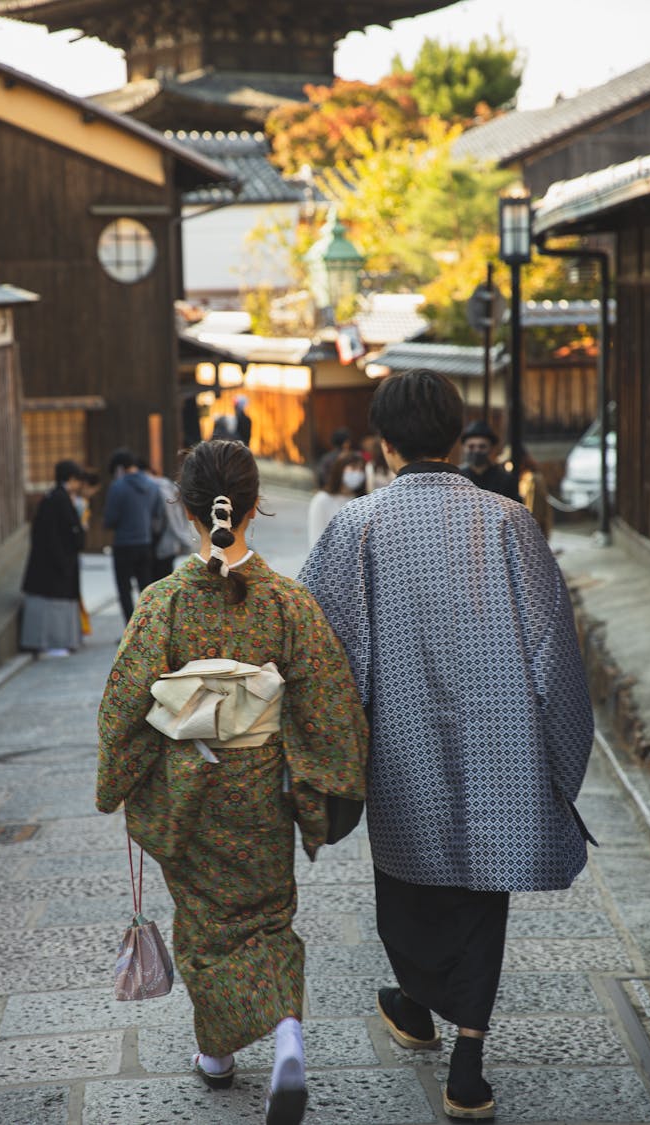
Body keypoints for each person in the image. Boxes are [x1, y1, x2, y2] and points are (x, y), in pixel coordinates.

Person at [299, 370, 594, 1121]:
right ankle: (465, 1061)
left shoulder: (357, 526)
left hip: (399, 750)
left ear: (385, 443)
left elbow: (317, 647)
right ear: (458, 436)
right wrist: (559, 758)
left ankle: (422, 1010)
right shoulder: (508, 521)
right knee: (479, 897)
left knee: (407, 890)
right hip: (501, 749)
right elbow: (555, 652)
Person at [97, 439, 368, 1125]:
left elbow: (124, 704)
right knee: (268, 915)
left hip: (189, 787)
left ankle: (217, 1055)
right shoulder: (287, 602)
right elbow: (331, 699)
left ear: (188, 511)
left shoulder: (164, 603)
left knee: (207, 922)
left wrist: (121, 774)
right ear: (254, 506)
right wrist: (322, 779)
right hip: (263, 785)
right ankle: (287, 1035)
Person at [20, 459, 85, 657]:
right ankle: (55, 643)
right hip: (57, 563)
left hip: (47, 562)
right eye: (77, 480)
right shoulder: (60, 500)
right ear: (71, 479)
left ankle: (52, 643)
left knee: (49, 603)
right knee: (55, 604)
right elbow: (65, 533)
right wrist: (64, 560)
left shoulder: (51, 498)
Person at [103, 448, 166, 623]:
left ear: (119, 469)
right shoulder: (152, 485)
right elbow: (158, 513)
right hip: (145, 543)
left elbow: (110, 520)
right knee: (145, 588)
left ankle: (130, 630)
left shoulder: (117, 487)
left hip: (123, 544)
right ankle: (148, 627)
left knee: (124, 590)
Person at [307, 450, 366, 548]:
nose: (358, 473)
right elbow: (316, 541)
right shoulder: (322, 501)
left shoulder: (362, 500)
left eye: (361, 469)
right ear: (340, 470)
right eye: (353, 468)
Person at [458, 419, 520, 501]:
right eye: (471, 446)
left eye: (482, 447)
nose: (476, 451)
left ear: (491, 448)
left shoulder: (505, 480)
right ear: (464, 448)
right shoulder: (458, 477)